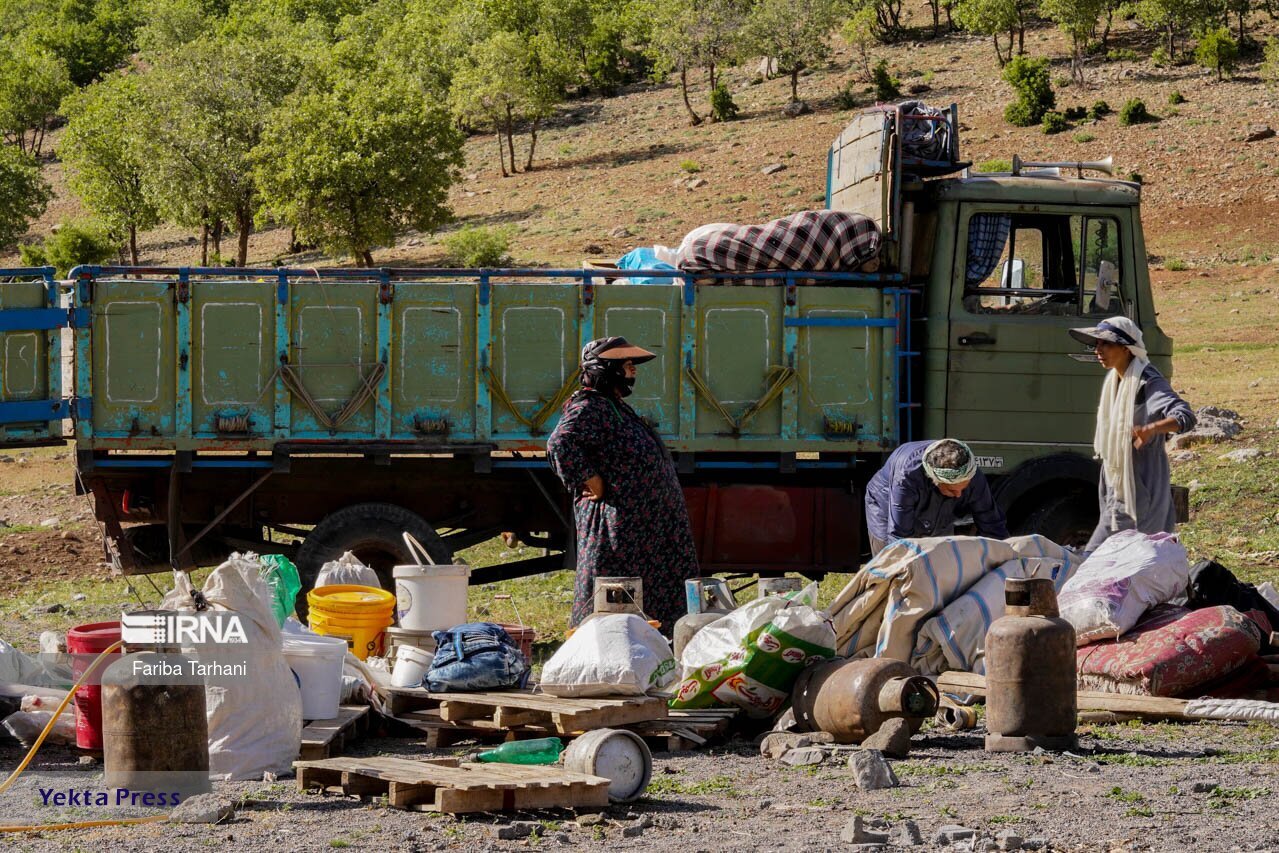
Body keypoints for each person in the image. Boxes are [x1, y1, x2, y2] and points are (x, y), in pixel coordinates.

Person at [546, 336, 698, 633]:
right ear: (606, 368)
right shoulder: (589, 407)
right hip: (620, 534)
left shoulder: (612, 406)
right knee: (616, 599)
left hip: (646, 533)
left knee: (654, 596)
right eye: (626, 364)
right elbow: (559, 443)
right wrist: (591, 480)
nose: (633, 370)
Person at [1068, 316, 1195, 552]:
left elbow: (1185, 416)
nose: (1098, 350)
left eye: (1106, 344)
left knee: (1095, 557)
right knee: (1140, 563)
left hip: (1139, 494)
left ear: (1126, 349)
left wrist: (1152, 429)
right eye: (1097, 344)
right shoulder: (1115, 381)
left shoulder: (1147, 382)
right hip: (1118, 487)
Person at [864, 438, 1009, 555]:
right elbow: (899, 537)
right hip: (885, 501)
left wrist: (1006, 555)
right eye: (952, 490)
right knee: (890, 560)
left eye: (963, 488)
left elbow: (992, 524)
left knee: (939, 557)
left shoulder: (972, 474)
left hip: (935, 499)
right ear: (935, 481)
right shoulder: (907, 476)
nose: (959, 495)